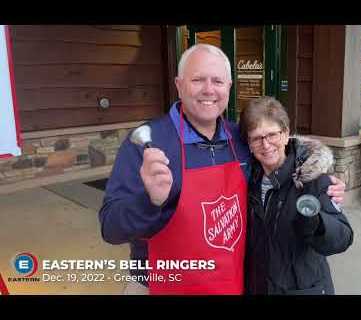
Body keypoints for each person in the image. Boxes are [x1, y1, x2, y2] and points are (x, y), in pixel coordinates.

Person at [98, 44, 346, 295]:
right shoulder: (148, 144)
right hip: (161, 285)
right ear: (179, 84)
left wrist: (319, 178)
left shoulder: (239, 138)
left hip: (233, 283)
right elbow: (110, 228)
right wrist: (149, 202)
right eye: (198, 80)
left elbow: (282, 156)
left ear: (228, 87)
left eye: (217, 81)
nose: (209, 89)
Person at [240, 96, 353, 295]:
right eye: (257, 138)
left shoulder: (313, 177)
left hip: (301, 288)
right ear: (248, 143)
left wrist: (319, 225)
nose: (266, 145)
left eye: (272, 135)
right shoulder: (248, 181)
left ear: (285, 134)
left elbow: (343, 238)